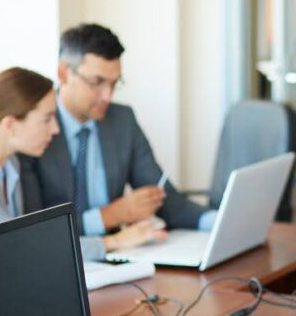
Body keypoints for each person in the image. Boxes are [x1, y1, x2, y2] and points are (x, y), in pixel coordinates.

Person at [0, 67, 160, 259]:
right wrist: (113, 242)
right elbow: (19, 244)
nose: (55, 130)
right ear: (11, 125)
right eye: (47, 119)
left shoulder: (10, 164)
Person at [21, 24, 215, 246]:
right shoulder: (34, 128)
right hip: (60, 257)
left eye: (115, 83)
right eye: (97, 82)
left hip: (121, 255)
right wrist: (111, 215)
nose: (107, 95)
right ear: (64, 73)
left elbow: (164, 199)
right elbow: (34, 227)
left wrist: (217, 221)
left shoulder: (122, 120)